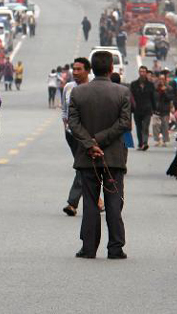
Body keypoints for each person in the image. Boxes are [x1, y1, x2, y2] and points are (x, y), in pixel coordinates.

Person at [68, 51, 131, 259]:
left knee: (90, 202)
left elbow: (73, 124)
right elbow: (124, 124)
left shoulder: (78, 93)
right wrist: (101, 140)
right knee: (113, 203)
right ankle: (115, 248)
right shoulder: (122, 92)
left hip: (88, 158)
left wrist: (90, 143)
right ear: (111, 67)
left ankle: (88, 248)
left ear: (91, 69)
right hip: (113, 157)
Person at [61, 57, 91, 217]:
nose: (76, 72)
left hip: (87, 135)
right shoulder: (68, 87)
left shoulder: (93, 86)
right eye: (74, 69)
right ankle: (97, 199)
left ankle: (72, 203)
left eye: (79, 69)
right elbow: (64, 110)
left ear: (88, 71)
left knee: (81, 167)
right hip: (71, 135)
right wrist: (65, 126)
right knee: (83, 167)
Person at [130, 66, 155, 151]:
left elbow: (153, 97)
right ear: (138, 72)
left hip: (147, 109)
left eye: (144, 72)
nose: (142, 73)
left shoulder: (150, 85)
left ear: (146, 73)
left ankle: (145, 143)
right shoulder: (134, 84)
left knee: (145, 127)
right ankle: (140, 143)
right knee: (139, 127)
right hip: (137, 109)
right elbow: (131, 97)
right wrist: (131, 108)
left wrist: (154, 108)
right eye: (141, 71)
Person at [152, 75, 173, 147]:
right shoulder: (155, 88)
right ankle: (157, 140)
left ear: (165, 80)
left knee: (165, 125)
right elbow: (153, 97)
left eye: (162, 79)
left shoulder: (169, 88)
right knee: (155, 125)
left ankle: (165, 140)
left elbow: (170, 98)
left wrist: (164, 92)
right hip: (156, 109)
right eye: (160, 79)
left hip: (165, 109)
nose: (161, 80)